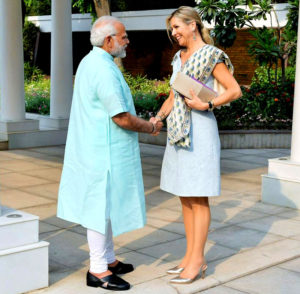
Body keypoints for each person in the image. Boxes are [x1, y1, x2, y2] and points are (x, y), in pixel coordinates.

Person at [57, 16, 163, 291]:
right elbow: (122, 118)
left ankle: (109, 259)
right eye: (124, 36)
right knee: (99, 209)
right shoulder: (102, 69)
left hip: (98, 149)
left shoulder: (94, 61)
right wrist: (151, 126)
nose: (127, 41)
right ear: (109, 40)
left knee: (107, 207)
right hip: (100, 153)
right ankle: (98, 270)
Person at [153, 6, 242, 284]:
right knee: (185, 195)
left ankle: (198, 260)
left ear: (193, 25)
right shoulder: (178, 57)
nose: (174, 33)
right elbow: (172, 96)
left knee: (198, 196)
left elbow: (234, 90)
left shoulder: (212, 55)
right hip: (179, 132)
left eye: (177, 27)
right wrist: (157, 119)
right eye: (172, 29)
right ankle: (190, 256)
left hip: (200, 131)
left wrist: (207, 103)